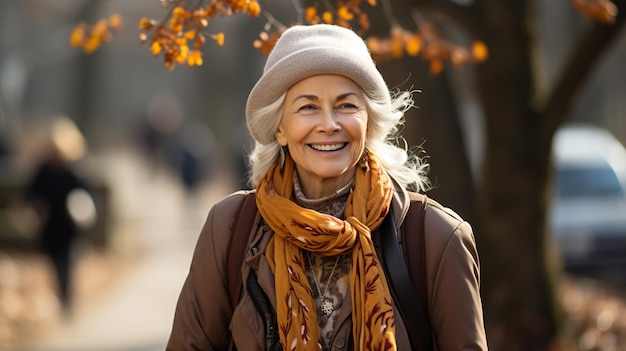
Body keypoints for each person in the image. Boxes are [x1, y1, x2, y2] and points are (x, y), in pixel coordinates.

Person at [167, 24, 487, 350]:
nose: (329, 124)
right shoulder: (229, 229)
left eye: (346, 105)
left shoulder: (436, 237)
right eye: (308, 107)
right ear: (279, 129)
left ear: (369, 121)